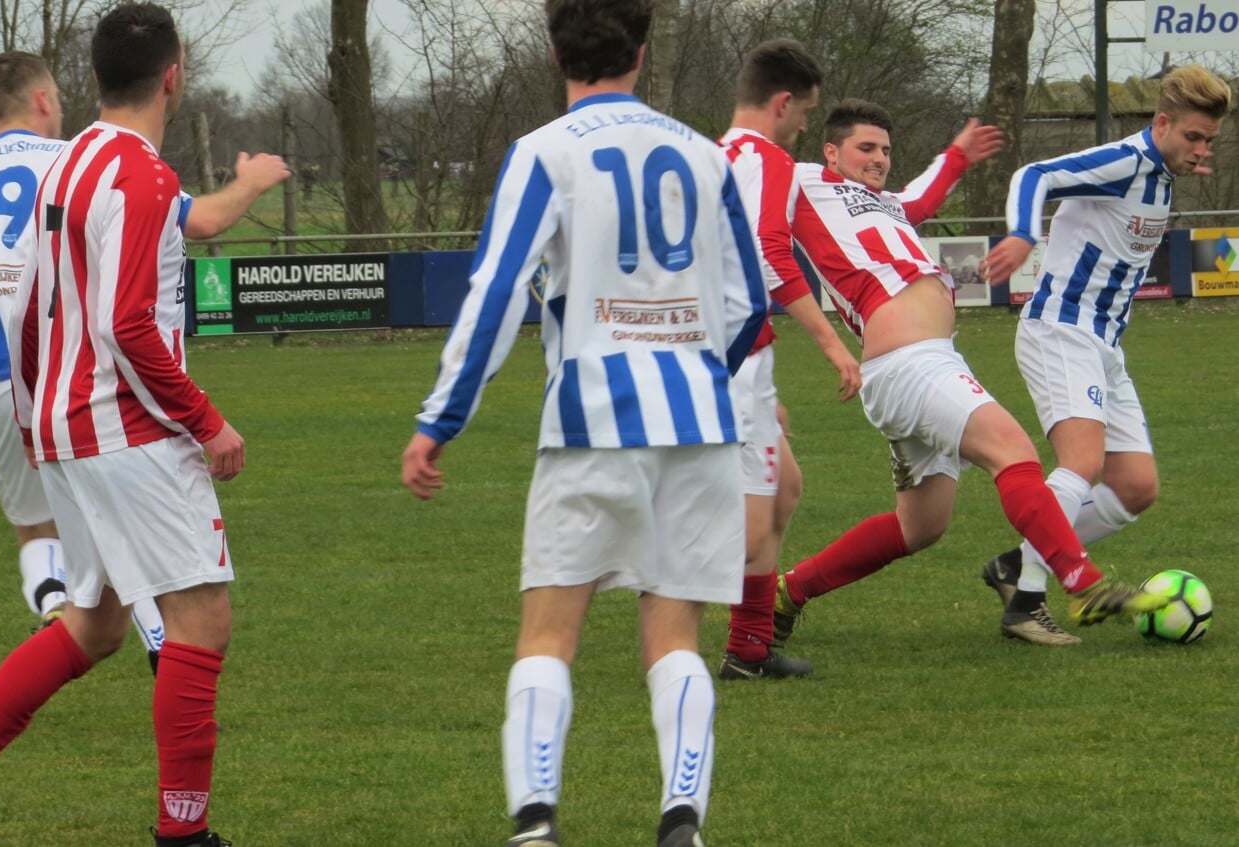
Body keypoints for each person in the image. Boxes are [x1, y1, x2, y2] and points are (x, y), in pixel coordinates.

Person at [0, 5, 262, 846]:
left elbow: (25, 302)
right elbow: (129, 326)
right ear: (174, 75)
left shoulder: (71, 164)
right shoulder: (139, 176)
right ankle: (184, 835)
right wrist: (208, 422)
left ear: (93, 80)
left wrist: (34, 416)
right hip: (127, 430)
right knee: (202, 620)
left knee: (94, 622)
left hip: (61, 424)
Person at [400, 0, 768, 842]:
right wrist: (697, 363)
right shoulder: (704, 155)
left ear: (557, 52)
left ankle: (535, 823)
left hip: (592, 417)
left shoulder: (544, 152)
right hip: (700, 421)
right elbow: (750, 302)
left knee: (549, 630)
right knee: (672, 634)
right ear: (640, 53)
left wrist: (441, 418)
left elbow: (495, 293)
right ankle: (682, 819)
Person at [0, 50, 289, 670]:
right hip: (87, 379)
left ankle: (52, 605)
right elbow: (198, 220)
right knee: (128, 530)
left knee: (39, 532)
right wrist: (251, 182)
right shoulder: (85, 162)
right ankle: (155, 640)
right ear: (44, 100)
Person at [765, 99, 1169, 649]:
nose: (879, 159)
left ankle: (788, 592)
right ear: (831, 151)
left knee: (921, 528)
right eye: (866, 148)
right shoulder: (801, 181)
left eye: (885, 150)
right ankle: (1082, 581)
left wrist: (956, 156)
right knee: (1014, 451)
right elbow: (742, 176)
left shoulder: (886, 204)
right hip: (911, 366)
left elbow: (921, 198)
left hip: (921, 366)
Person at [976, 65, 1231, 645]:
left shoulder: (1162, 177)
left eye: (1208, 141)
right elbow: (1034, 172)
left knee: (1137, 486)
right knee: (1081, 464)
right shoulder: (1125, 163)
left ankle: (1016, 566)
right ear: (1162, 123)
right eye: (1192, 136)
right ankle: (1028, 604)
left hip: (1105, 344)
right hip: (1060, 330)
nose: (1200, 149)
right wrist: (1022, 234)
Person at [715, 39, 861, 681]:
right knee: (747, 523)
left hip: (734, 356)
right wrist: (832, 343)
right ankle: (656, 594)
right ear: (782, 103)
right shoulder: (767, 159)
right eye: (805, 112)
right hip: (729, 361)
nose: (806, 124)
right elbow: (772, 251)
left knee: (785, 490)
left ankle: (748, 648)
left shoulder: (712, 157)